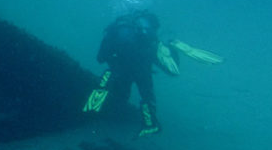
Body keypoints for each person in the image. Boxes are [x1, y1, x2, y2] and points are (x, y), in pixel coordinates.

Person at [82, 10, 223, 137]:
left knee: (112, 89)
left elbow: (100, 58)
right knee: (147, 97)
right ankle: (149, 125)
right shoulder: (148, 38)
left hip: (119, 70)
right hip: (143, 69)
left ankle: (93, 114)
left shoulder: (116, 31)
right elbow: (164, 65)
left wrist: (115, 59)